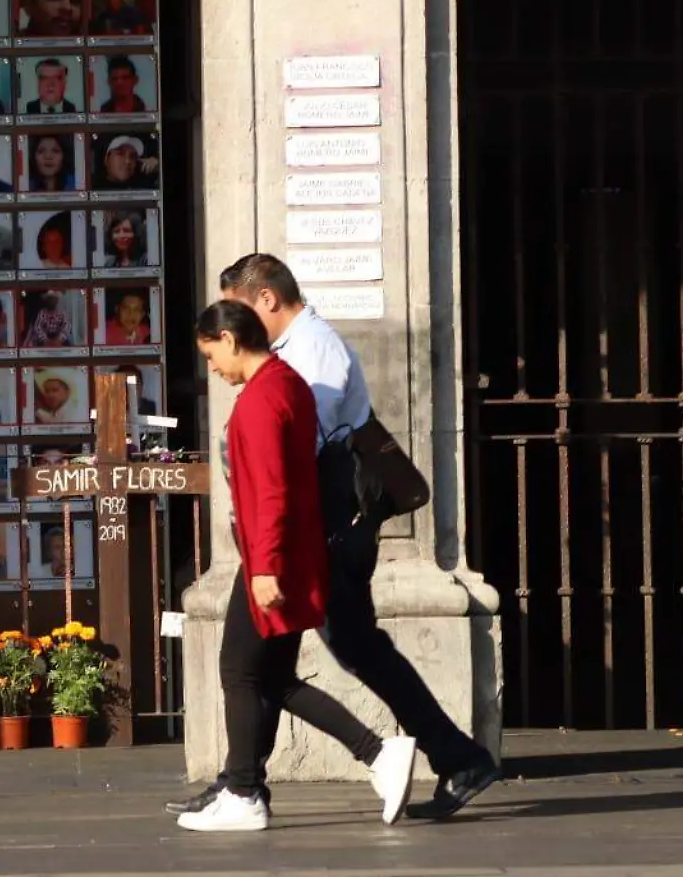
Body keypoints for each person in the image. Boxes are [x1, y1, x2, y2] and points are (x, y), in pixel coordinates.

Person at [169, 255, 502, 822]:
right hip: (309, 530)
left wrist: (271, 556)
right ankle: (244, 780)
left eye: (238, 309)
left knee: (329, 652)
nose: (233, 324)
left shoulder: (309, 352)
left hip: (324, 528)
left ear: (266, 301)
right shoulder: (289, 358)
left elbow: (290, 454)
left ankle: (256, 781)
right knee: (286, 658)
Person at [178, 300, 416, 833]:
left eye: (210, 353)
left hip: (272, 558)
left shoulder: (262, 398)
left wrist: (264, 569)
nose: (210, 366)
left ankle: (244, 793)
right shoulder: (288, 383)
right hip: (293, 552)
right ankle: (376, 755)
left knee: (239, 671)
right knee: (274, 677)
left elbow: (270, 492)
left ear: (230, 339)